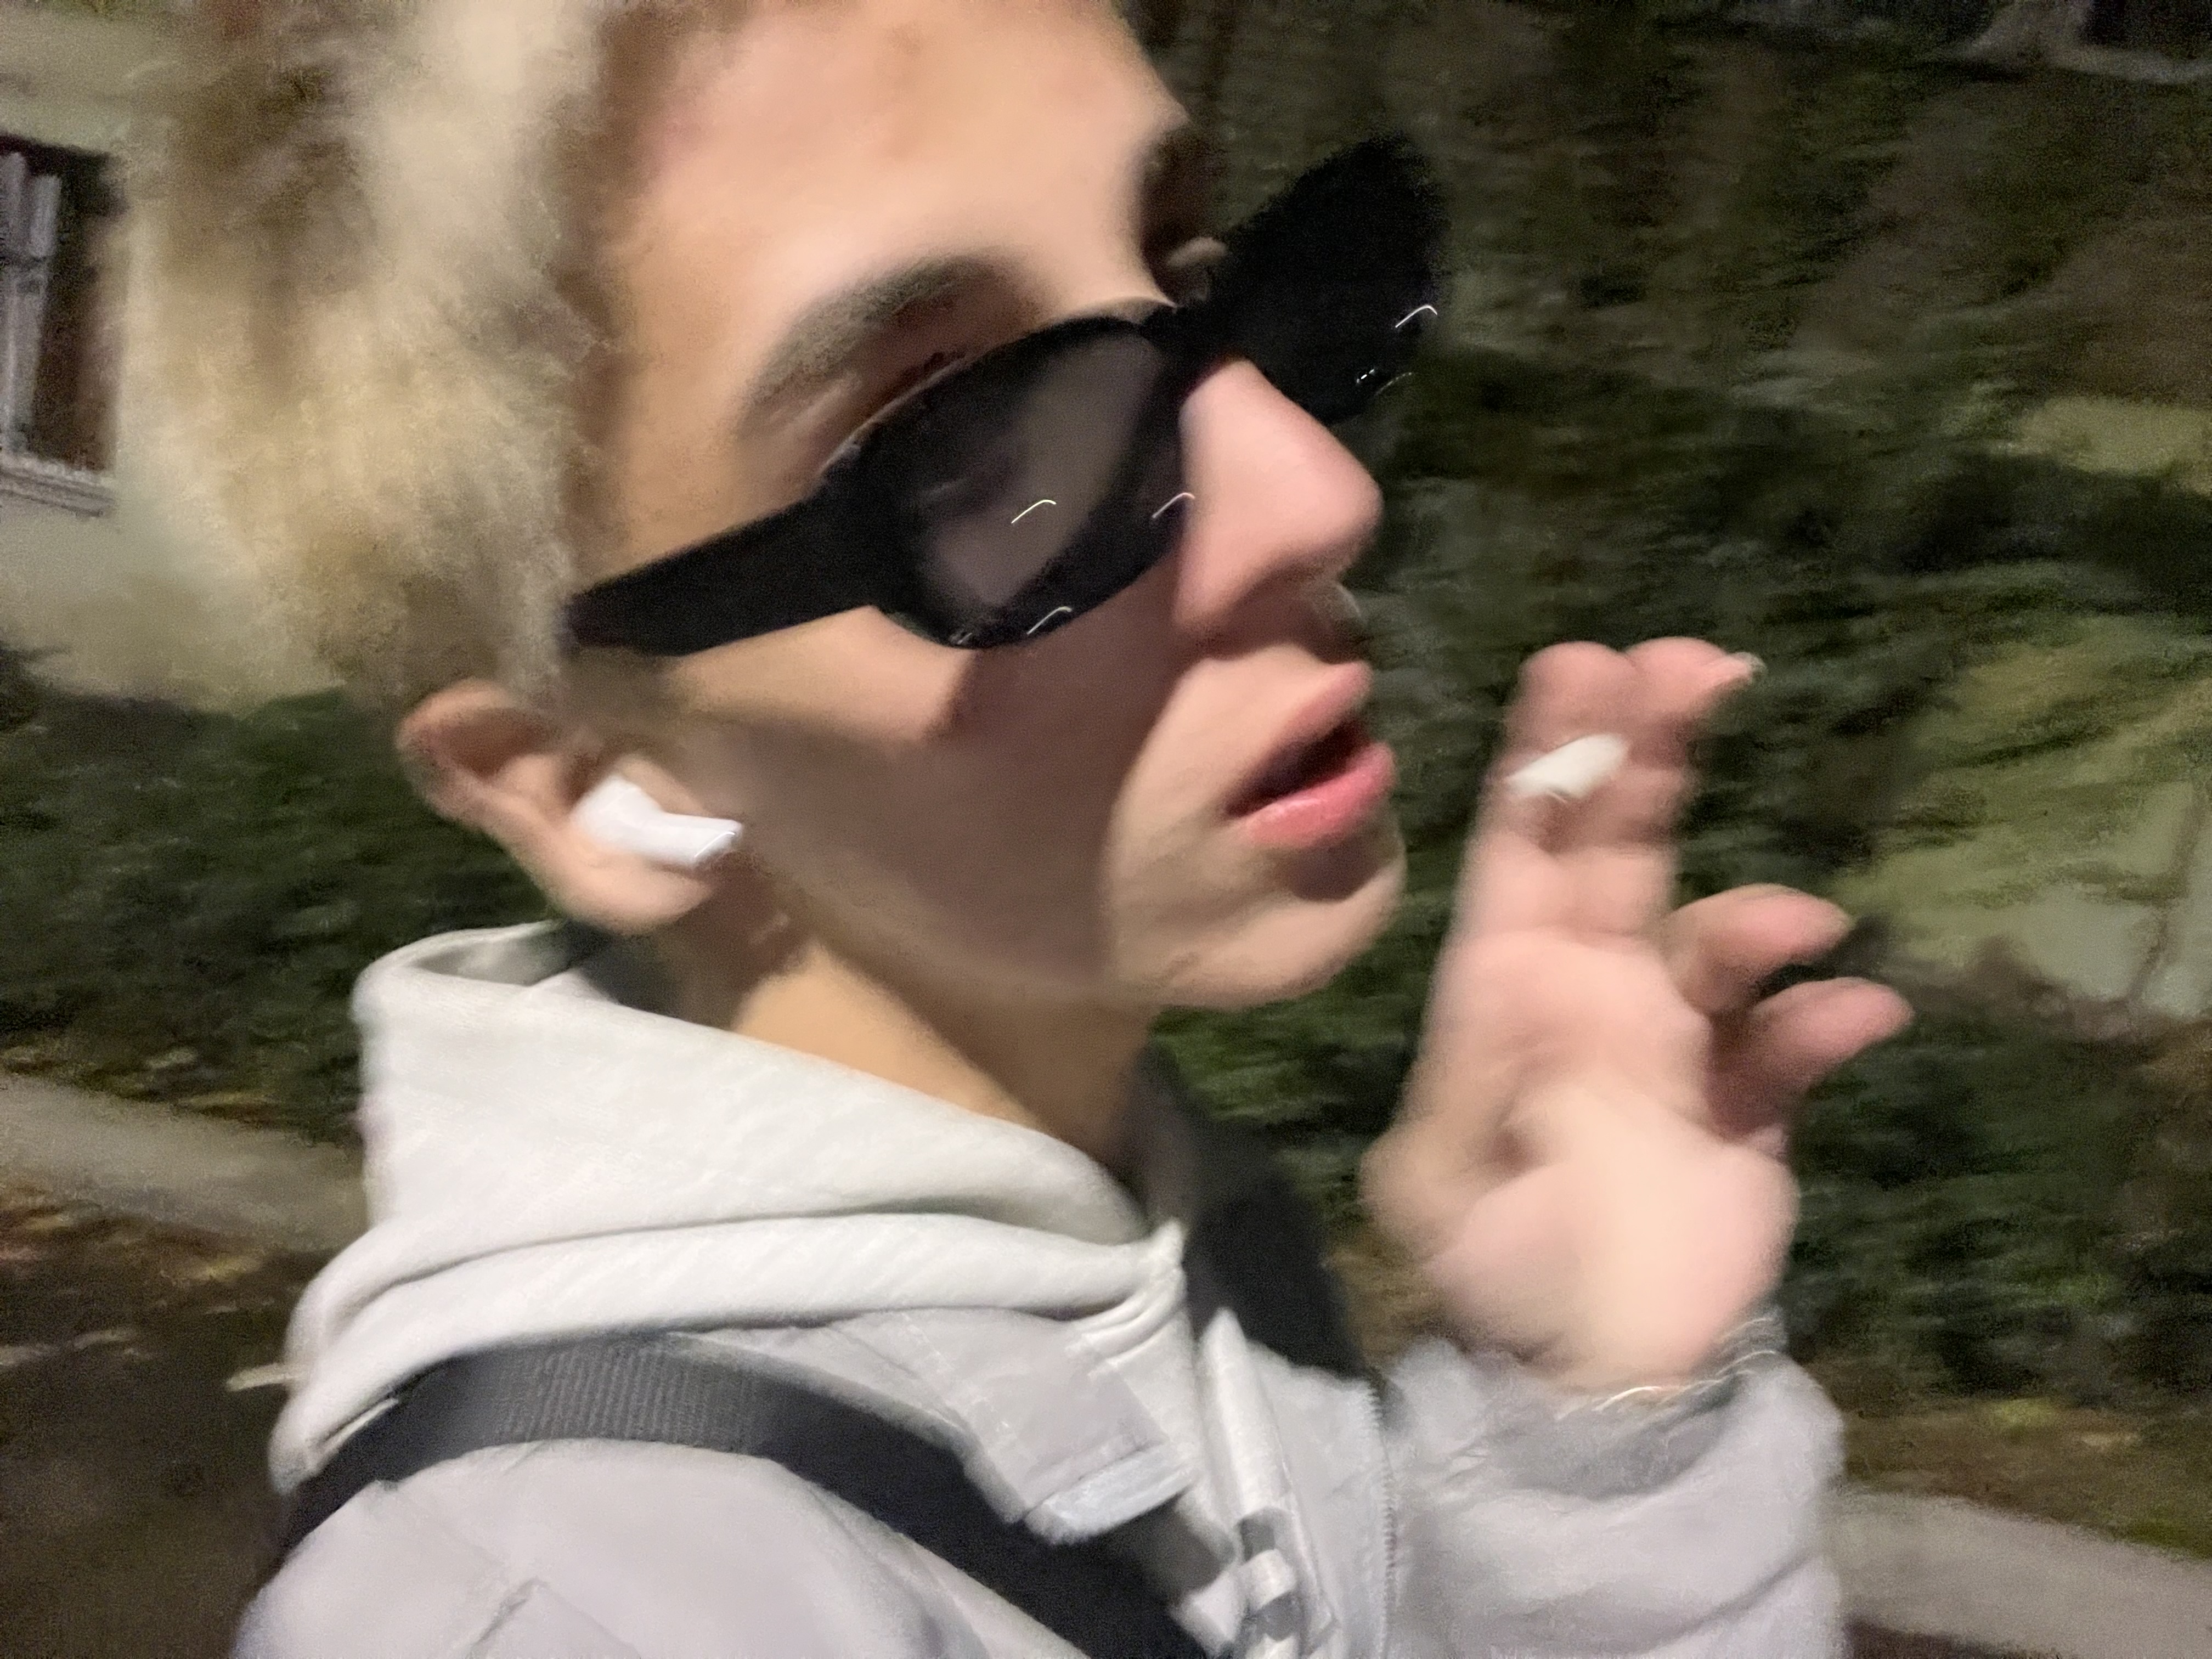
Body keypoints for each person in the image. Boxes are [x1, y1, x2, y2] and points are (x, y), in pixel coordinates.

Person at [117, 1, 1911, 1654]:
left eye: (1209, 282)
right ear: (593, 783)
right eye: (972, 451)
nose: (1316, 492)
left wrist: (1589, 1440)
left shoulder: (1159, 1243)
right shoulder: (585, 1609)